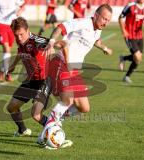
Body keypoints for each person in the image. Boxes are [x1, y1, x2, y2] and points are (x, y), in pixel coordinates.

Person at [38, 3, 113, 144]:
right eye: (104, 19)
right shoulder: (83, 22)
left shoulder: (98, 29)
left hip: (75, 70)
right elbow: (60, 27)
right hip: (62, 63)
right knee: (68, 100)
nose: (106, 23)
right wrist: (51, 42)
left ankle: (56, 118)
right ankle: (45, 136)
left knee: (84, 108)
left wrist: (104, 47)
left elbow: (95, 39)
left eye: (108, 20)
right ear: (96, 15)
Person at [6, 17, 52, 137]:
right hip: (31, 80)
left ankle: (56, 131)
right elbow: (20, 52)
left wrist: (49, 48)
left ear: (27, 30)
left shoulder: (36, 40)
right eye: (16, 35)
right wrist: (13, 66)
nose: (19, 38)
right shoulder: (20, 40)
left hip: (45, 80)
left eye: (21, 34)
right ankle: (23, 130)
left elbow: (50, 43)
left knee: (36, 115)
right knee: (11, 107)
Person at [119, 0, 144, 83]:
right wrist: (123, 30)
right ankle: (126, 72)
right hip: (129, 36)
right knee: (137, 57)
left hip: (140, 36)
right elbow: (120, 17)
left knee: (138, 59)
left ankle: (126, 74)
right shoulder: (130, 6)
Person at [0, 0, 25, 82]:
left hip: (12, 25)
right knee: (7, 50)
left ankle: (2, 72)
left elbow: (23, 5)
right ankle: (7, 73)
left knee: (8, 50)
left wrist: (19, 12)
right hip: (0, 24)